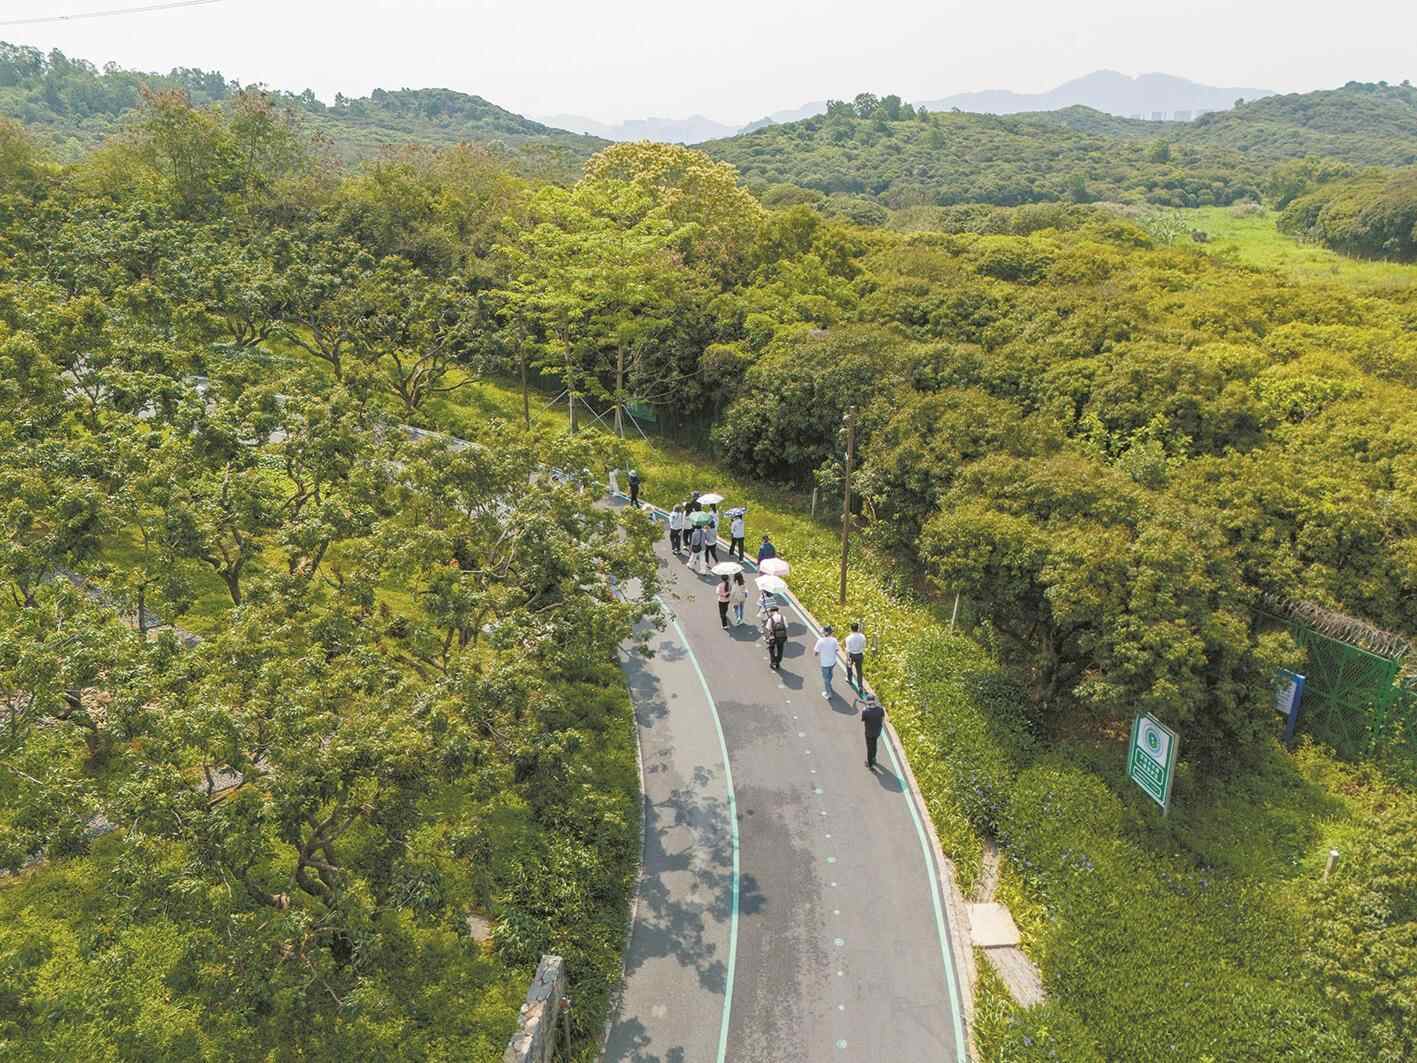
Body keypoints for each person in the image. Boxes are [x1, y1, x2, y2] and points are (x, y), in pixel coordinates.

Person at [814, 625, 841, 700]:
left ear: (824, 632)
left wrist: (819, 652)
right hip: (833, 661)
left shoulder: (820, 641)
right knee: (830, 674)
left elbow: (816, 652)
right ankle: (829, 683)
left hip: (825, 663)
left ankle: (828, 694)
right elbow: (837, 650)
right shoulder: (834, 640)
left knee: (825, 678)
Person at [860, 693, 885, 770]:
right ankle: (874, 758)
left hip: (869, 732)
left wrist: (864, 709)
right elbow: (882, 719)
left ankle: (870, 764)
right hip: (877, 732)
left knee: (869, 748)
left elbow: (862, 719)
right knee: (874, 745)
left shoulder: (865, 711)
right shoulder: (880, 710)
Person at [845, 622, 867, 690]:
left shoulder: (848, 638)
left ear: (851, 629)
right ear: (858, 628)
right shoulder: (862, 637)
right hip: (859, 655)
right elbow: (864, 646)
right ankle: (860, 685)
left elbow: (847, 649)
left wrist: (848, 658)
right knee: (859, 670)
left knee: (849, 667)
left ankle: (849, 679)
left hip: (851, 655)